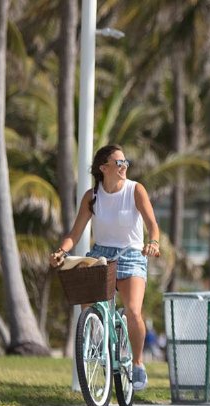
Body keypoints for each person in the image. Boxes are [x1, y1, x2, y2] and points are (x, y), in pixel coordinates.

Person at [50, 144, 161, 391]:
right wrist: (61, 251)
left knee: (133, 311)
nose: (124, 167)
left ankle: (138, 362)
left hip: (132, 253)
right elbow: (75, 232)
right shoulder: (92, 196)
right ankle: (98, 344)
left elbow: (152, 225)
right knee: (87, 304)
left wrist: (153, 242)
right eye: (118, 163)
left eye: (125, 162)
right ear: (104, 168)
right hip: (101, 253)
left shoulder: (135, 190)